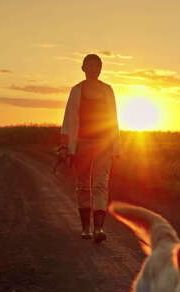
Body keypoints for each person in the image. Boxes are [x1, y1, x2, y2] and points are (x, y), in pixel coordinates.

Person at [60, 54, 121, 243]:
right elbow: (69, 119)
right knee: (83, 186)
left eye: (97, 66)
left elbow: (113, 119)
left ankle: (99, 229)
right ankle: (86, 228)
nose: (94, 69)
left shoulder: (107, 90)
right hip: (81, 143)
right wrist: (66, 147)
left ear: (101, 69)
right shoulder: (76, 90)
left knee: (101, 184)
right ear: (83, 68)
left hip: (104, 144)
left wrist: (116, 147)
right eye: (90, 65)